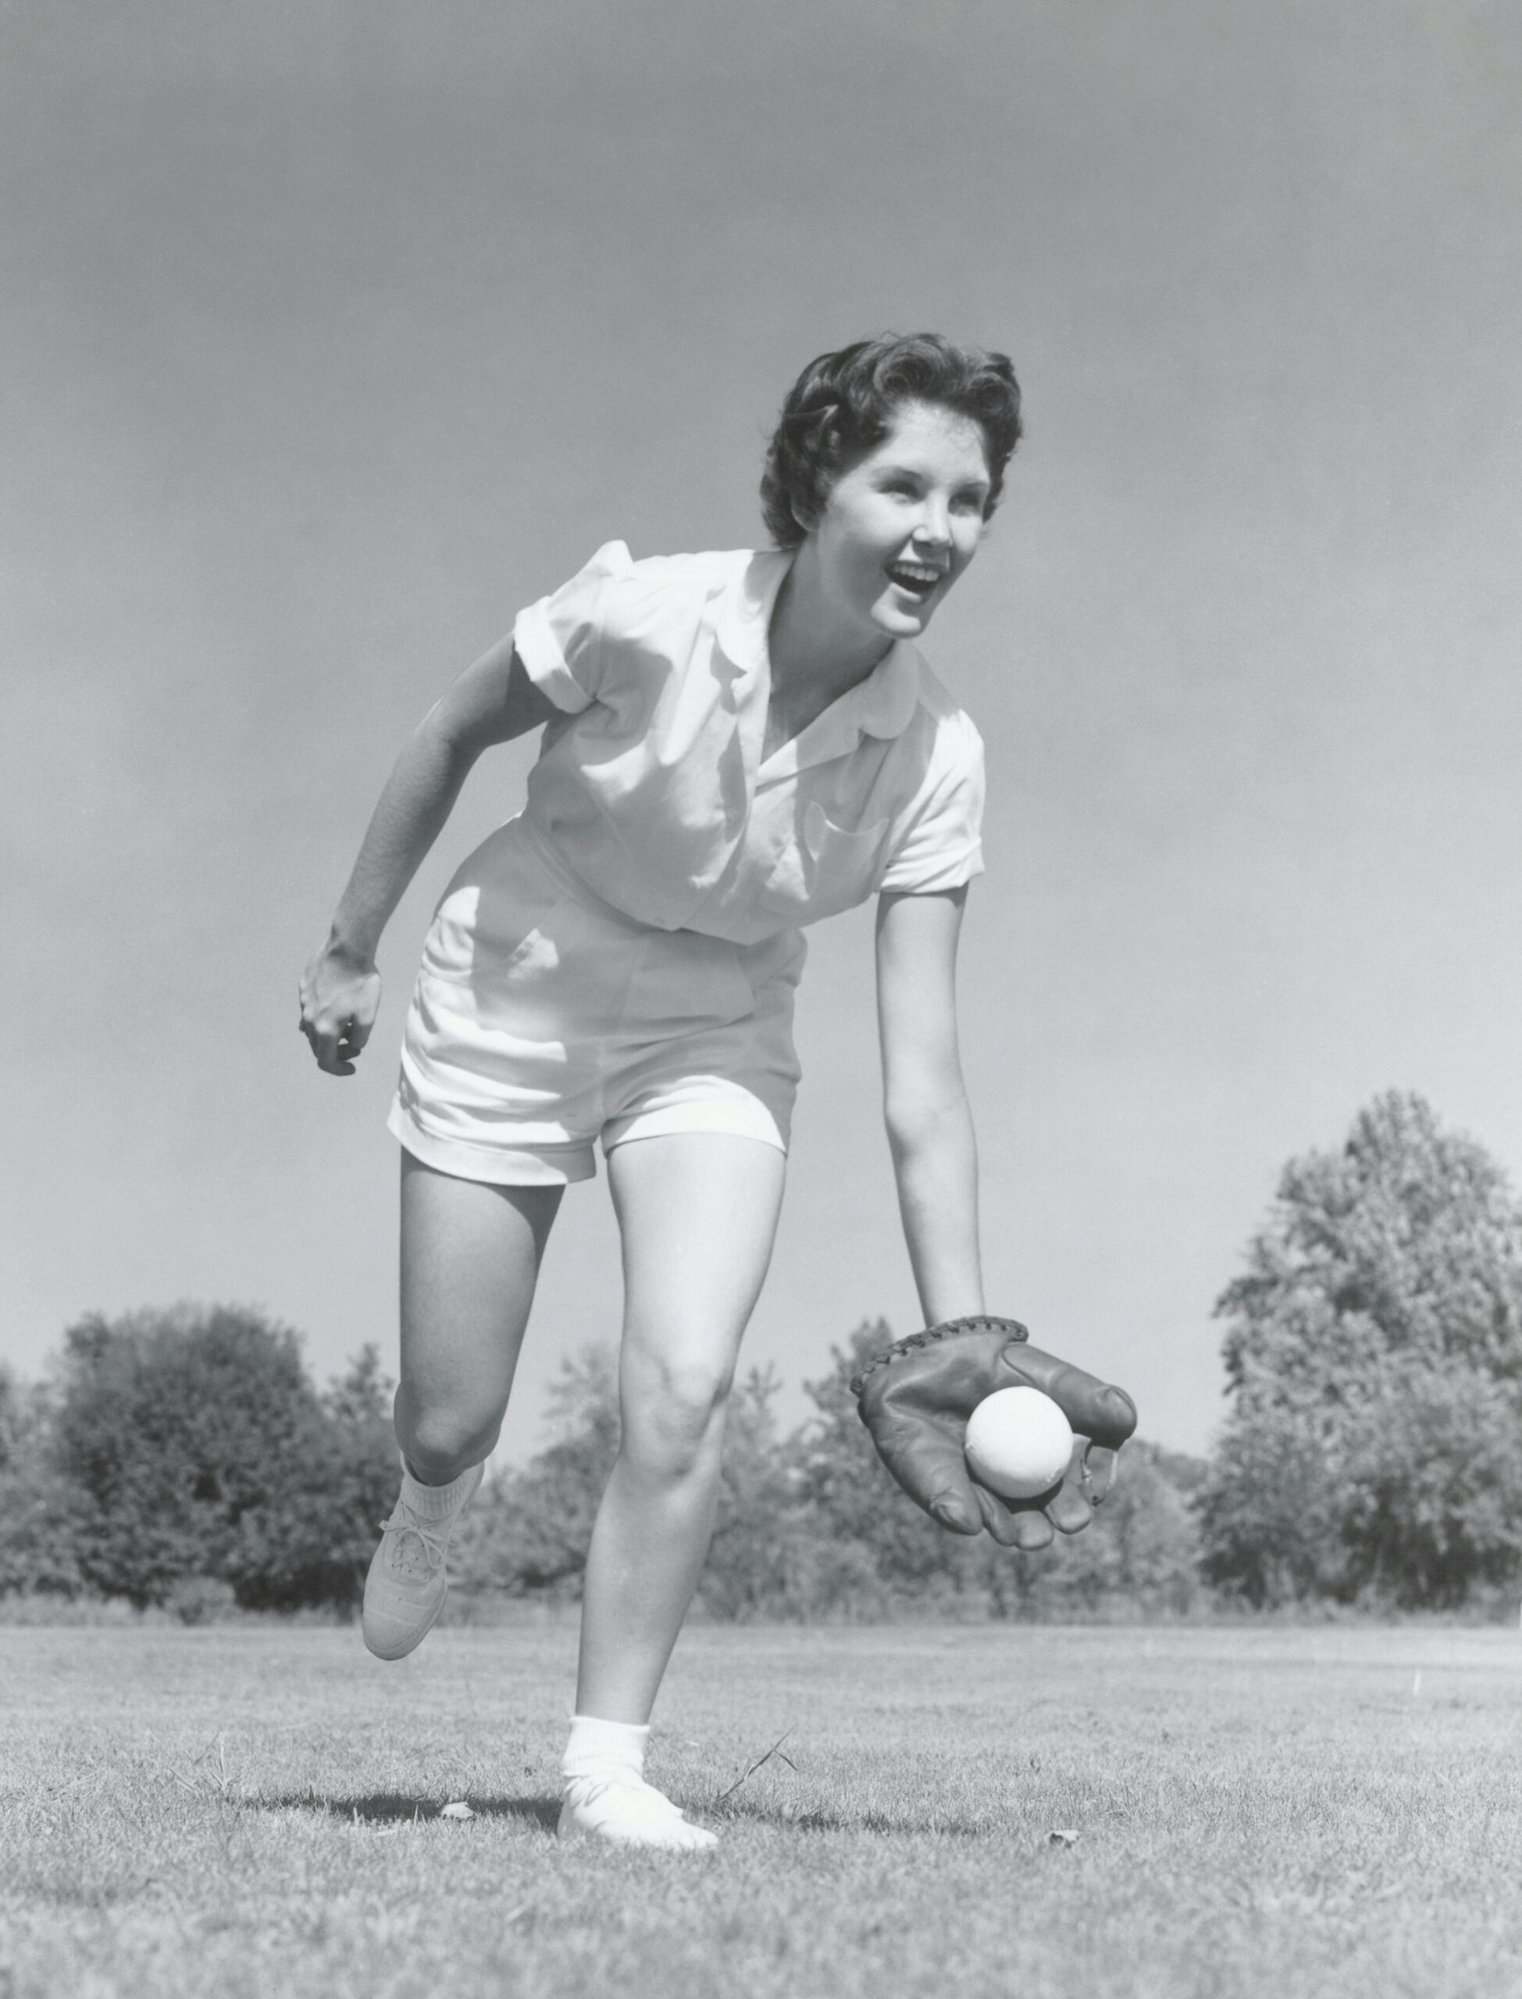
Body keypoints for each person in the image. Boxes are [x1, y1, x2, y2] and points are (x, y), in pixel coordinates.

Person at [298, 332, 1133, 1855]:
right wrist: (350, 950)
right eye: (905, 484)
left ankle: (605, 1768)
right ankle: (429, 1499)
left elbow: (925, 1075)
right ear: (820, 480)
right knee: (451, 1409)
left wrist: (964, 1331)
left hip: (716, 1025)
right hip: (515, 979)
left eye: (974, 499)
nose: (942, 529)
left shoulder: (938, 754)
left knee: (681, 1386)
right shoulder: (648, 612)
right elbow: (449, 731)